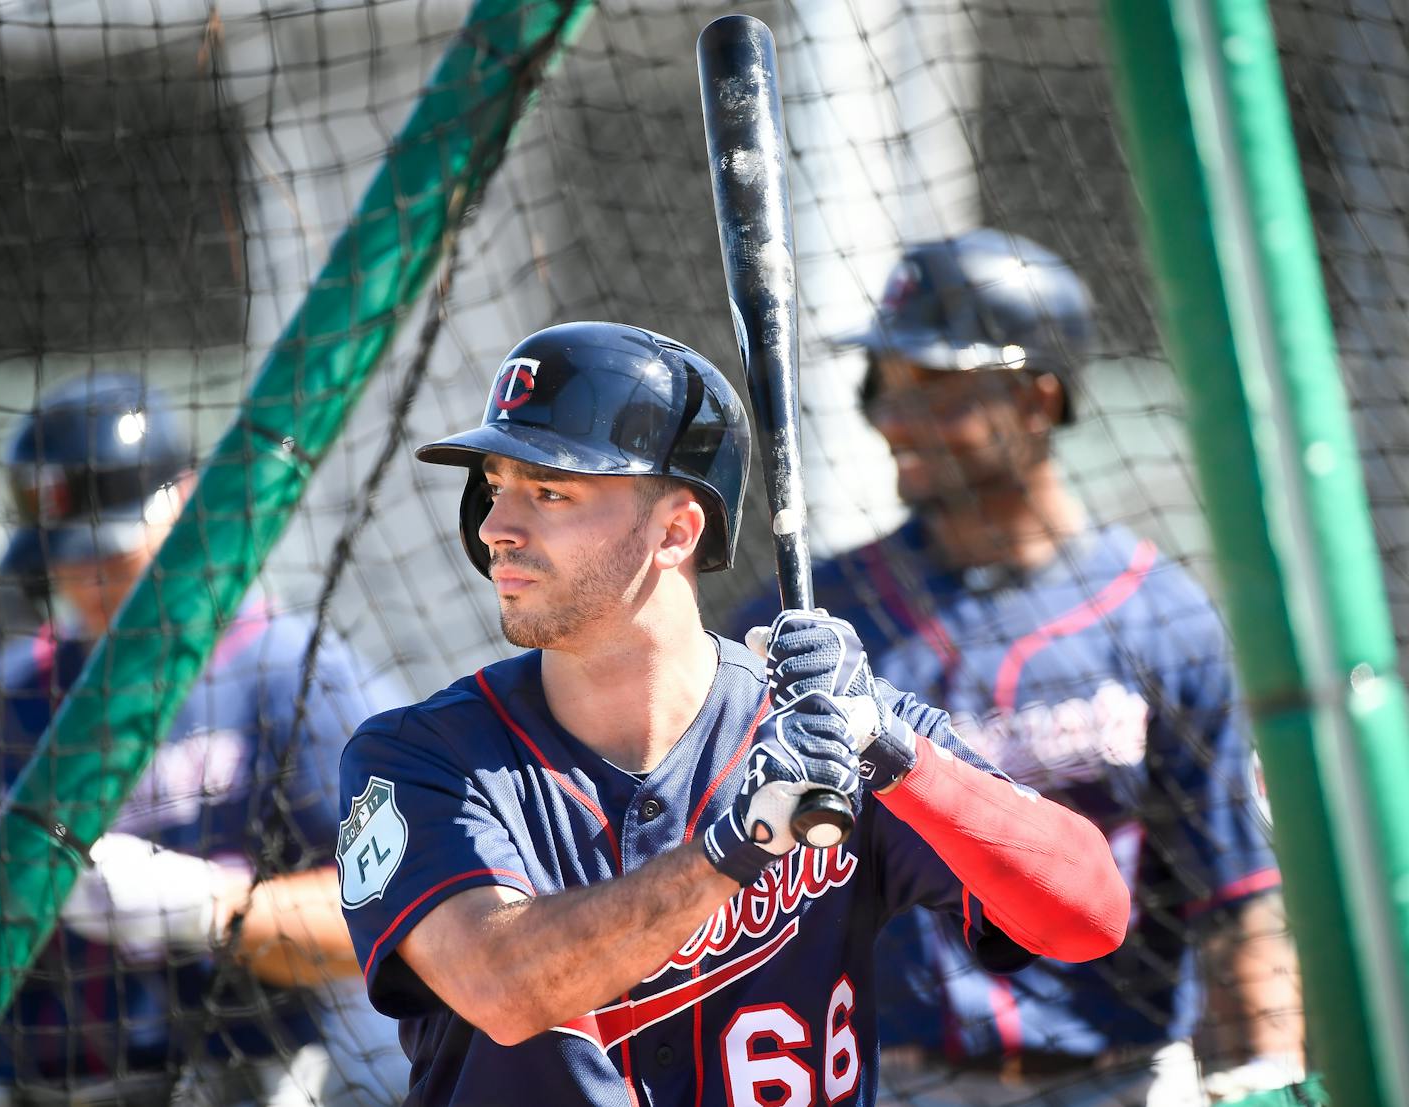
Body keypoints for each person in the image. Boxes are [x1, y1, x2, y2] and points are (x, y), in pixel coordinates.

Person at [336, 319, 1130, 1107]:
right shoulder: (419, 757)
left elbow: (1088, 914)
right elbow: (502, 985)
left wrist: (893, 755)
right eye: (498, 487)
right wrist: (740, 845)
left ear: (676, 529)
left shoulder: (832, 728)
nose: (495, 528)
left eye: (549, 492)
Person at [728, 230, 1308, 1106]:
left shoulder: (1160, 613)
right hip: (888, 1080)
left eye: (933, 388)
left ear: (1038, 399)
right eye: (886, 386)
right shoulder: (818, 625)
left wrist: (1264, 1067)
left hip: (1117, 1076)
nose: (892, 416)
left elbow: (1233, 896)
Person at [0, 374, 409, 1106]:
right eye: (63, 554)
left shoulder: (283, 667)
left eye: (108, 550)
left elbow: (401, 913)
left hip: (269, 1074)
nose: (85, 576)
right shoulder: (8, 698)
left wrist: (202, 904)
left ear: (185, 502)